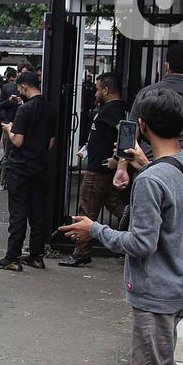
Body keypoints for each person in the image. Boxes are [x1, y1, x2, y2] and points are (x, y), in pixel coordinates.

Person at [60, 88, 183, 365]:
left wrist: (93, 228)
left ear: (141, 126)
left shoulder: (152, 180)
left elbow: (141, 242)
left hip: (155, 292)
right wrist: (141, 161)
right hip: (173, 287)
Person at [116, 42, 183, 249]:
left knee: (146, 232)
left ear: (167, 66)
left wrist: (122, 167)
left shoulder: (148, 93)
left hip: (150, 170)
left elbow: (128, 132)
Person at [59, 72, 128, 267]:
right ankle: (132, 227)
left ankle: (81, 251)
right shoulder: (112, 109)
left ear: (106, 89)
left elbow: (125, 132)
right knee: (113, 204)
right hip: (103, 167)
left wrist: (117, 158)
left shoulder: (112, 110)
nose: (96, 93)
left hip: (99, 169)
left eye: (98, 89)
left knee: (87, 210)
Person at [0, 70, 56, 271]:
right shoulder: (50, 110)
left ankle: (12, 258)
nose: (19, 91)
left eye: (19, 88)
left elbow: (17, 141)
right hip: (40, 166)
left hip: (21, 167)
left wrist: (9, 129)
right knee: (38, 212)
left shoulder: (25, 110)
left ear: (25, 87)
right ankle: (36, 256)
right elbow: (51, 143)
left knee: (18, 213)